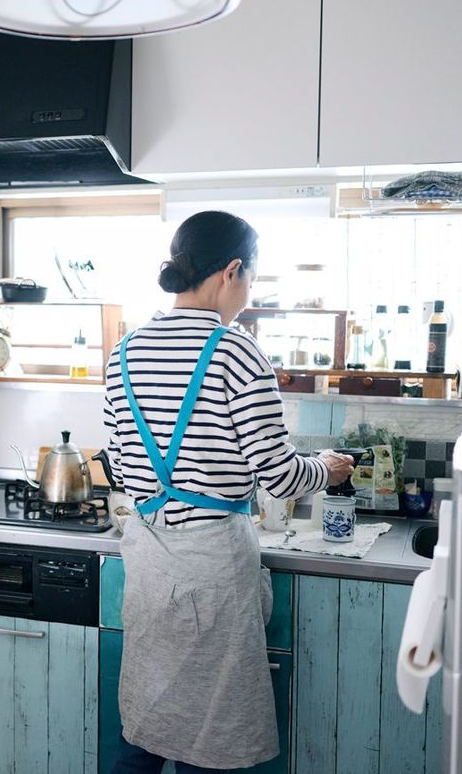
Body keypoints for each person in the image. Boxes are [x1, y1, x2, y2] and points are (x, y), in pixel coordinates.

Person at [103, 211, 354, 773]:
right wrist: (328, 468)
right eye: (253, 278)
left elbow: (121, 462)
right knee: (210, 736)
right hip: (212, 565)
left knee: (146, 719)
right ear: (233, 270)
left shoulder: (124, 351)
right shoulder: (237, 351)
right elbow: (282, 476)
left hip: (148, 557)